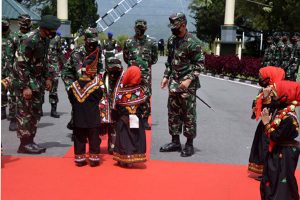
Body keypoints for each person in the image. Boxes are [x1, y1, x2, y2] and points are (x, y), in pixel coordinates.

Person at [13, 15, 61, 154]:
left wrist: (48, 78)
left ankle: (31, 141)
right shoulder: (29, 39)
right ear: (45, 29)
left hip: (38, 81)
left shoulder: (44, 39)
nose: (54, 33)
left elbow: (43, 61)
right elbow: (20, 64)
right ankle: (24, 144)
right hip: (26, 81)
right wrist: (25, 86)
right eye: (52, 30)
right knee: (25, 113)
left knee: (35, 112)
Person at [160, 12, 205, 157]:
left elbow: (200, 65)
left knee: (188, 114)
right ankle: (175, 141)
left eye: (176, 26)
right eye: (172, 26)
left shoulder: (194, 42)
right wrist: (166, 76)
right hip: (174, 83)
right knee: (173, 113)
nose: (173, 29)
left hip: (188, 85)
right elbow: (170, 61)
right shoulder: (172, 40)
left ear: (184, 25)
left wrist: (189, 79)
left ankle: (189, 144)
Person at [260, 80, 300, 200]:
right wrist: (266, 97)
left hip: (285, 153)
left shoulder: (289, 117)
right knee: (272, 180)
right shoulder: (282, 110)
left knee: (281, 183)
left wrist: (267, 124)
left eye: (276, 92)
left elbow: (276, 136)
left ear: (285, 94)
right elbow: (270, 107)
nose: (273, 94)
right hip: (279, 151)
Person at [61, 27, 104, 130]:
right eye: (90, 43)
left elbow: (100, 66)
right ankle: (77, 125)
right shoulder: (77, 53)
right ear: (85, 40)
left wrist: (100, 81)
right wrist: (92, 87)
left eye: (94, 43)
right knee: (78, 100)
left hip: (87, 75)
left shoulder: (97, 49)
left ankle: (88, 123)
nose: (92, 46)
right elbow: (81, 74)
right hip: (71, 76)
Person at [68, 49, 104, 167]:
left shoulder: (73, 86)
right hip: (92, 117)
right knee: (93, 138)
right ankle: (93, 159)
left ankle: (80, 159)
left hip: (78, 117)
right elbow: (100, 97)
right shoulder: (96, 86)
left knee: (79, 138)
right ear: (91, 72)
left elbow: (71, 100)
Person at [248, 66, 285, 178]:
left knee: (268, 146)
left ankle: (269, 172)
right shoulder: (264, 89)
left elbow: (277, 105)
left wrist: (265, 97)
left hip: (274, 122)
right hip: (264, 122)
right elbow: (256, 105)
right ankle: (265, 171)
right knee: (261, 145)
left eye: (262, 77)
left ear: (270, 77)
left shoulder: (279, 90)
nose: (260, 79)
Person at [123, 19, 158, 130]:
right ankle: (133, 119)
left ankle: (144, 120)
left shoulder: (151, 43)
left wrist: (144, 67)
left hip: (145, 75)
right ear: (134, 28)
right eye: (138, 28)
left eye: (141, 28)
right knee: (132, 95)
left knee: (146, 96)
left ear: (145, 29)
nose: (139, 30)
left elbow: (154, 59)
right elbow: (125, 57)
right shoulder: (128, 42)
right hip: (132, 74)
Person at [112, 66, 147, 167]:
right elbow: (144, 106)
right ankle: (132, 159)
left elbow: (116, 108)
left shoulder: (121, 92)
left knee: (123, 138)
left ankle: (122, 159)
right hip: (135, 119)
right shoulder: (140, 91)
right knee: (135, 137)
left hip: (123, 120)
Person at [7, 14, 32, 131]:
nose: (26, 25)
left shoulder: (32, 36)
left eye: (27, 22)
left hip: (29, 71)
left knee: (28, 97)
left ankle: (26, 120)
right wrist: (9, 73)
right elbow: (10, 56)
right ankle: (12, 119)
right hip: (15, 71)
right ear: (19, 24)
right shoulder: (14, 37)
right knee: (13, 96)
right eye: (24, 23)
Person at [99, 57, 124, 154]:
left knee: (115, 126)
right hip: (102, 108)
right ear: (106, 68)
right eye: (111, 69)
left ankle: (113, 146)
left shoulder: (123, 77)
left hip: (116, 107)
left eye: (116, 69)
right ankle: (95, 145)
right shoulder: (100, 76)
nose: (114, 72)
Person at [1, 17, 13, 120]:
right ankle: (2, 111)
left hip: (12, 70)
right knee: (1, 91)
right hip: (1, 69)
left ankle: (13, 114)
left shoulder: (14, 37)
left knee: (13, 92)